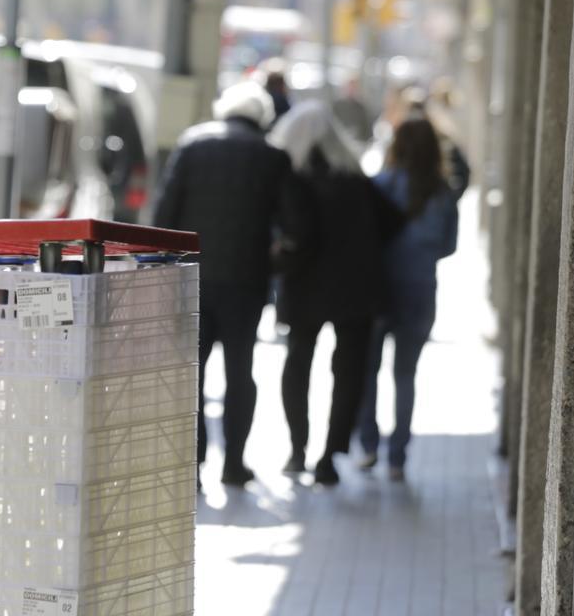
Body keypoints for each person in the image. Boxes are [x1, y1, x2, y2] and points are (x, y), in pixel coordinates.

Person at [154, 81, 292, 486]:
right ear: (261, 116)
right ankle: (234, 462)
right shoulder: (272, 157)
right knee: (240, 371)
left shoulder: (192, 145)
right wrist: (274, 264)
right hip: (246, 283)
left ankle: (191, 466)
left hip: (193, 278)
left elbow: (164, 213)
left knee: (192, 372)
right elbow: (296, 225)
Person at [270, 100, 401, 486]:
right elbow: (392, 220)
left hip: (305, 283)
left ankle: (297, 450)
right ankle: (329, 457)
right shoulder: (354, 178)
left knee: (297, 364)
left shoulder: (293, 178)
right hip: (355, 287)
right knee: (348, 373)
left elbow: (295, 234)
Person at [356, 117, 458, 481]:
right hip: (420, 290)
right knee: (405, 374)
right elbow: (449, 246)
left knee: (368, 371)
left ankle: (368, 444)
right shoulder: (443, 192)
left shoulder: (379, 185)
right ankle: (398, 457)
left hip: (380, 291)